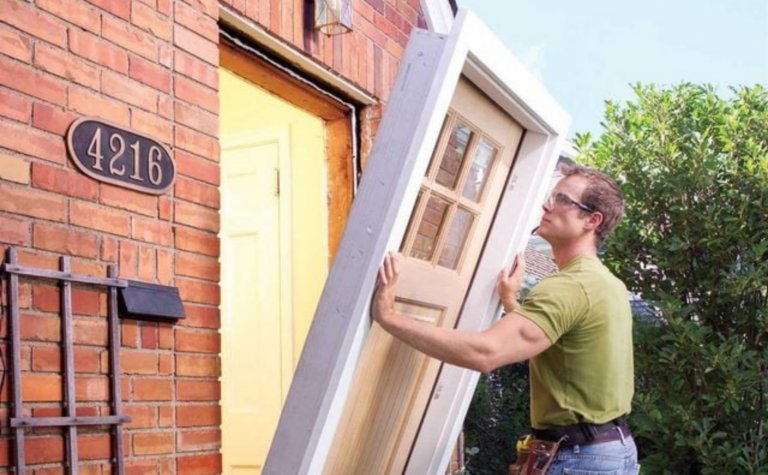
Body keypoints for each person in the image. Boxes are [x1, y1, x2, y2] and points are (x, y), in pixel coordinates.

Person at [372, 164, 639, 474]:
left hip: (580, 458)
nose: (547, 204)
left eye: (564, 199)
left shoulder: (569, 286)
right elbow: (559, 345)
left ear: (592, 221)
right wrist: (512, 301)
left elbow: (486, 352)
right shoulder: (607, 284)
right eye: (552, 195)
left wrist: (389, 317)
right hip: (613, 449)